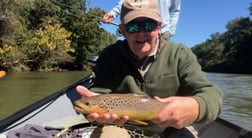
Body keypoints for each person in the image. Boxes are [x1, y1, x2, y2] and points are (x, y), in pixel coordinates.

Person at [76, 0, 223, 137]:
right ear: (123, 30)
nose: (141, 33)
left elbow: (211, 95)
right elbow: (98, 93)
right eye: (132, 27)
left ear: (159, 26)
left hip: (170, 130)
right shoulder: (110, 56)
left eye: (148, 26)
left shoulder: (180, 54)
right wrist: (94, 112)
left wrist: (196, 106)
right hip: (121, 127)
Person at [102, 0, 181, 41]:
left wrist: (170, 31)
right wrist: (113, 12)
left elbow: (175, 11)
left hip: (163, 32)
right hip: (139, 28)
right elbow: (128, 1)